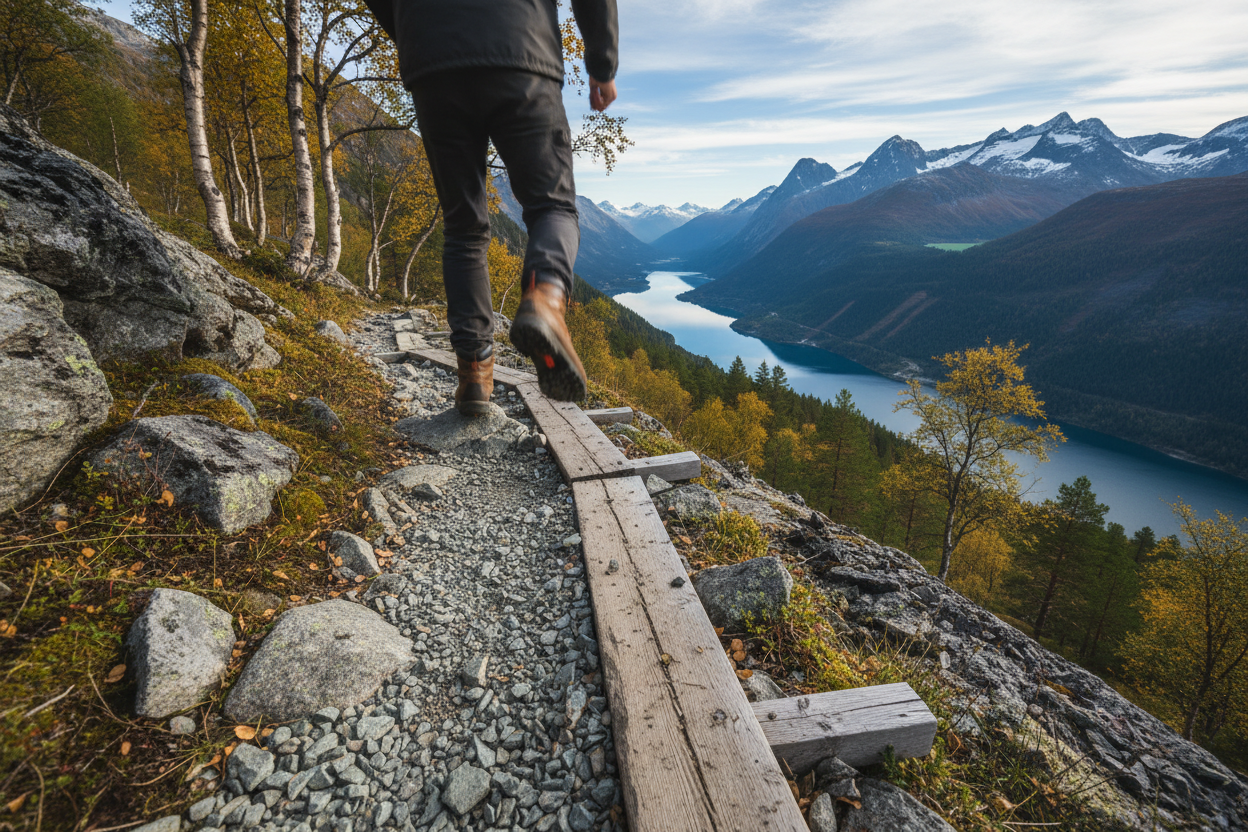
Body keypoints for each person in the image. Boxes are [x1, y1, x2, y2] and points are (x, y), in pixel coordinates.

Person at [364, 0, 619, 415]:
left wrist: (421, 30)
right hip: (521, 47)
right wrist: (602, 65)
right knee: (552, 206)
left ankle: (474, 378)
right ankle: (546, 299)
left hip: (432, 62)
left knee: (463, 226)